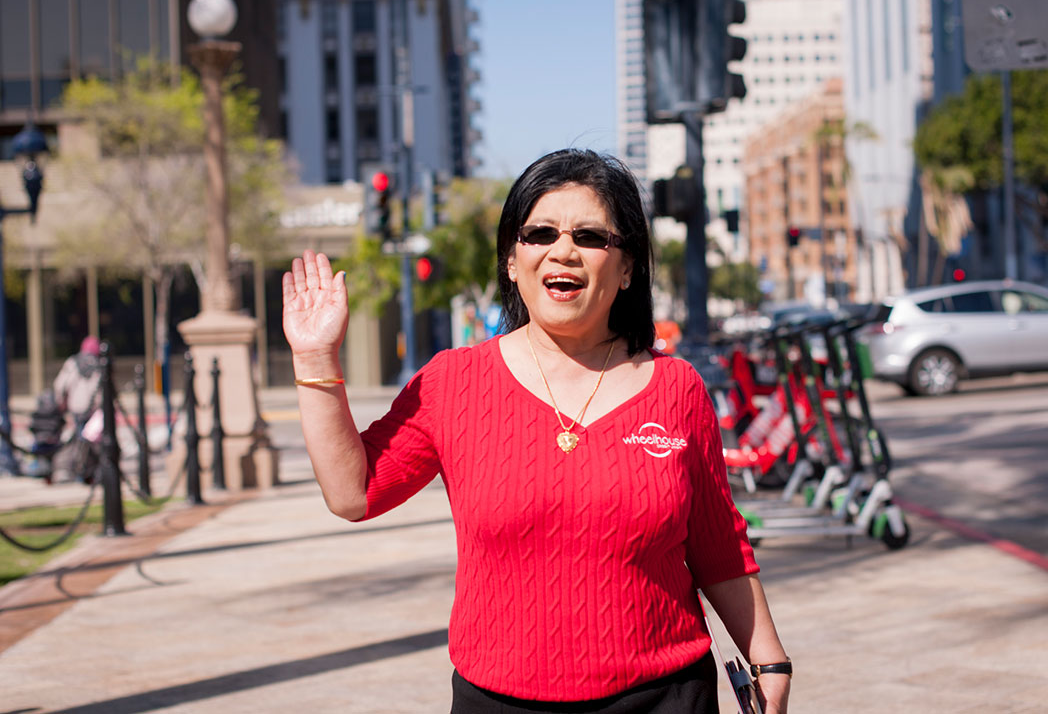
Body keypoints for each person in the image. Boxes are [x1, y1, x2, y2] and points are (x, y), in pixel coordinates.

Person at [282, 149, 790, 713]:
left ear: (626, 269)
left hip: (664, 695)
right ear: (511, 260)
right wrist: (314, 357)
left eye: (591, 237)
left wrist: (768, 662)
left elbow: (719, 546)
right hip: (497, 701)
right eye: (540, 232)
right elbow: (354, 493)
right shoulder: (453, 381)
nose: (563, 251)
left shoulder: (677, 387)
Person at [51, 336, 102, 483]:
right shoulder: (99, 364)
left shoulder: (73, 363)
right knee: (89, 440)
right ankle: (86, 470)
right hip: (93, 409)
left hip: (77, 407)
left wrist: (61, 402)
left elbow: (60, 384)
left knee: (80, 439)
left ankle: (81, 471)